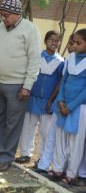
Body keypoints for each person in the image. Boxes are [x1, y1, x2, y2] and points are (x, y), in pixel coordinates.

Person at [0, 0, 41, 172]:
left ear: (17, 14)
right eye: (2, 15)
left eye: (6, 15)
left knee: (12, 123)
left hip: (18, 85)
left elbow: (35, 61)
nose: (3, 18)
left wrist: (27, 86)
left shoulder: (30, 29)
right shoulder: (0, 28)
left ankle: (6, 158)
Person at [16, 30, 64, 164]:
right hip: (32, 98)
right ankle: (25, 153)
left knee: (46, 131)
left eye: (57, 40)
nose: (54, 43)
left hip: (47, 101)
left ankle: (43, 158)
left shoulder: (60, 62)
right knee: (28, 127)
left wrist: (51, 100)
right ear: (45, 41)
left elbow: (59, 82)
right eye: (51, 40)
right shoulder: (37, 57)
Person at [48, 28, 86, 186]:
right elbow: (64, 81)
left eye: (79, 43)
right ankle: (57, 169)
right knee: (60, 138)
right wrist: (61, 100)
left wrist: (70, 106)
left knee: (75, 142)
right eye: (74, 42)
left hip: (79, 108)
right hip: (63, 105)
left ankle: (71, 174)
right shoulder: (70, 58)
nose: (75, 45)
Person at [35, 33, 75, 173]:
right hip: (59, 104)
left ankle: (65, 170)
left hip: (73, 107)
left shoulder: (63, 60)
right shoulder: (69, 60)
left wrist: (68, 104)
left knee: (69, 141)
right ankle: (44, 165)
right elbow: (63, 82)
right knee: (52, 136)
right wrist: (57, 100)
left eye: (75, 43)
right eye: (70, 43)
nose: (71, 46)